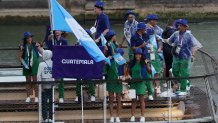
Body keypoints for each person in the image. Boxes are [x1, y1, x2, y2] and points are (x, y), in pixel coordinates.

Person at [165, 19, 197, 95]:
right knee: (174, 71)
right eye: (178, 25)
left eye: (180, 25)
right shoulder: (175, 34)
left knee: (184, 73)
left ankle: (183, 90)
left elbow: (194, 46)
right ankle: (185, 82)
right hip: (176, 56)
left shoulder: (189, 35)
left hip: (186, 57)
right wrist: (165, 40)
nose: (178, 27)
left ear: (185, 27)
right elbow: (170, 41)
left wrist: (193, 55)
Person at [130, 22, 154, 100]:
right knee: (137, 74)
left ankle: (150, 93)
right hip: (137, 58)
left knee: (148, 75)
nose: (145, 30)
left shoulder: (145, 35)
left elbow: (151, 37)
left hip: (145, 57)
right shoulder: (134, 37)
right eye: (144, 29)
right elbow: (133, 48)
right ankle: (136, 94)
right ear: (141, 29)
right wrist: (141, 46)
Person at [129, 48, 151, 122]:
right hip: (133, 83)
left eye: (139, 54)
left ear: (141, 55)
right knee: (133, 100)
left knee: (142, 100)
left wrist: (148, 64)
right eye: (136, 54)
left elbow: (149, 71)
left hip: (141, 83)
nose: (137, 55)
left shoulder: (144, 63)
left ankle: (143, 116)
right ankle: (132, 116)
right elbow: (128, 72)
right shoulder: (132, 63)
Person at [105, 30, 122, 123]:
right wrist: (108, 57)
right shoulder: (107, 45)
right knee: (111, 99)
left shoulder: (114, 45)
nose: (116, 36)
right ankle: (111, 116)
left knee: (119, 98)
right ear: (112, 36)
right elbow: (104, 59)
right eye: (115, 35)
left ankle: (118, 116)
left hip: (118, 76)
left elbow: (121, 61)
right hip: (111, 76)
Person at [75, 29, 96, 102]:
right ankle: (78, 95)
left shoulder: (92, 44)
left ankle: (93, 94)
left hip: (89, 64)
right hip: (80, 64)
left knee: (90, 78)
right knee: (78, 79)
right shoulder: (78, 42)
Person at [47, 30, 68, 103]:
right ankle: (52, 96)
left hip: (61, 61)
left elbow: (66, 51)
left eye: (58, 30)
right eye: (56, 30)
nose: (57, 32)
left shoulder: (64, 41)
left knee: (61, 79)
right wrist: (49, 40)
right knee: (52, 79)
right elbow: (49, 49)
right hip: (53, 61)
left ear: (61, 32)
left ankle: (61, 96)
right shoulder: (52, 40)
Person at [18, 32, 40, 103]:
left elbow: (40, 51)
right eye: (28, 38)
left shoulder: (35, 45)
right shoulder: (23, 46)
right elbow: (20, 57)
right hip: (26, 66)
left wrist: (40, 45)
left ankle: (36, 97)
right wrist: (24, 65)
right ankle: (28, 97)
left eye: (30, 37)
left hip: (35, 65)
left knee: (35, 81)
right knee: (28, 82)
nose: (29, 38)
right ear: (25, 39)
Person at [145, 14, 163, 96]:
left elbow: (159, 39)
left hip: (152, 50)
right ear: (151, 20)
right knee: (153, 69)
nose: (156, 22)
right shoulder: (146, 28)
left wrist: (159, 47)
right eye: (155, 20)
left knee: (153, 69)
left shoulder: (155, 29)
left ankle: (155, 87)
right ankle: (154, 87)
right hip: (150, 51)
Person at [37, 50, 53, 122]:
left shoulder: (41, 64)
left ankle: (45, 117)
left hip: (43, 85)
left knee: (44, 102)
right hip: (52, 85)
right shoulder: (54, 63)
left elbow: (38, 76)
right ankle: (51, 117)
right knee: (51, 102)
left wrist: (40, 86)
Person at [162, 19, 176, 87]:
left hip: (165, 51)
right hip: (171, 51)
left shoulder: (165, 30)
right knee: (171, 66)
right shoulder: (172, 31)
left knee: (167, 66)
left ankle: (167, 81)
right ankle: (171, 82)